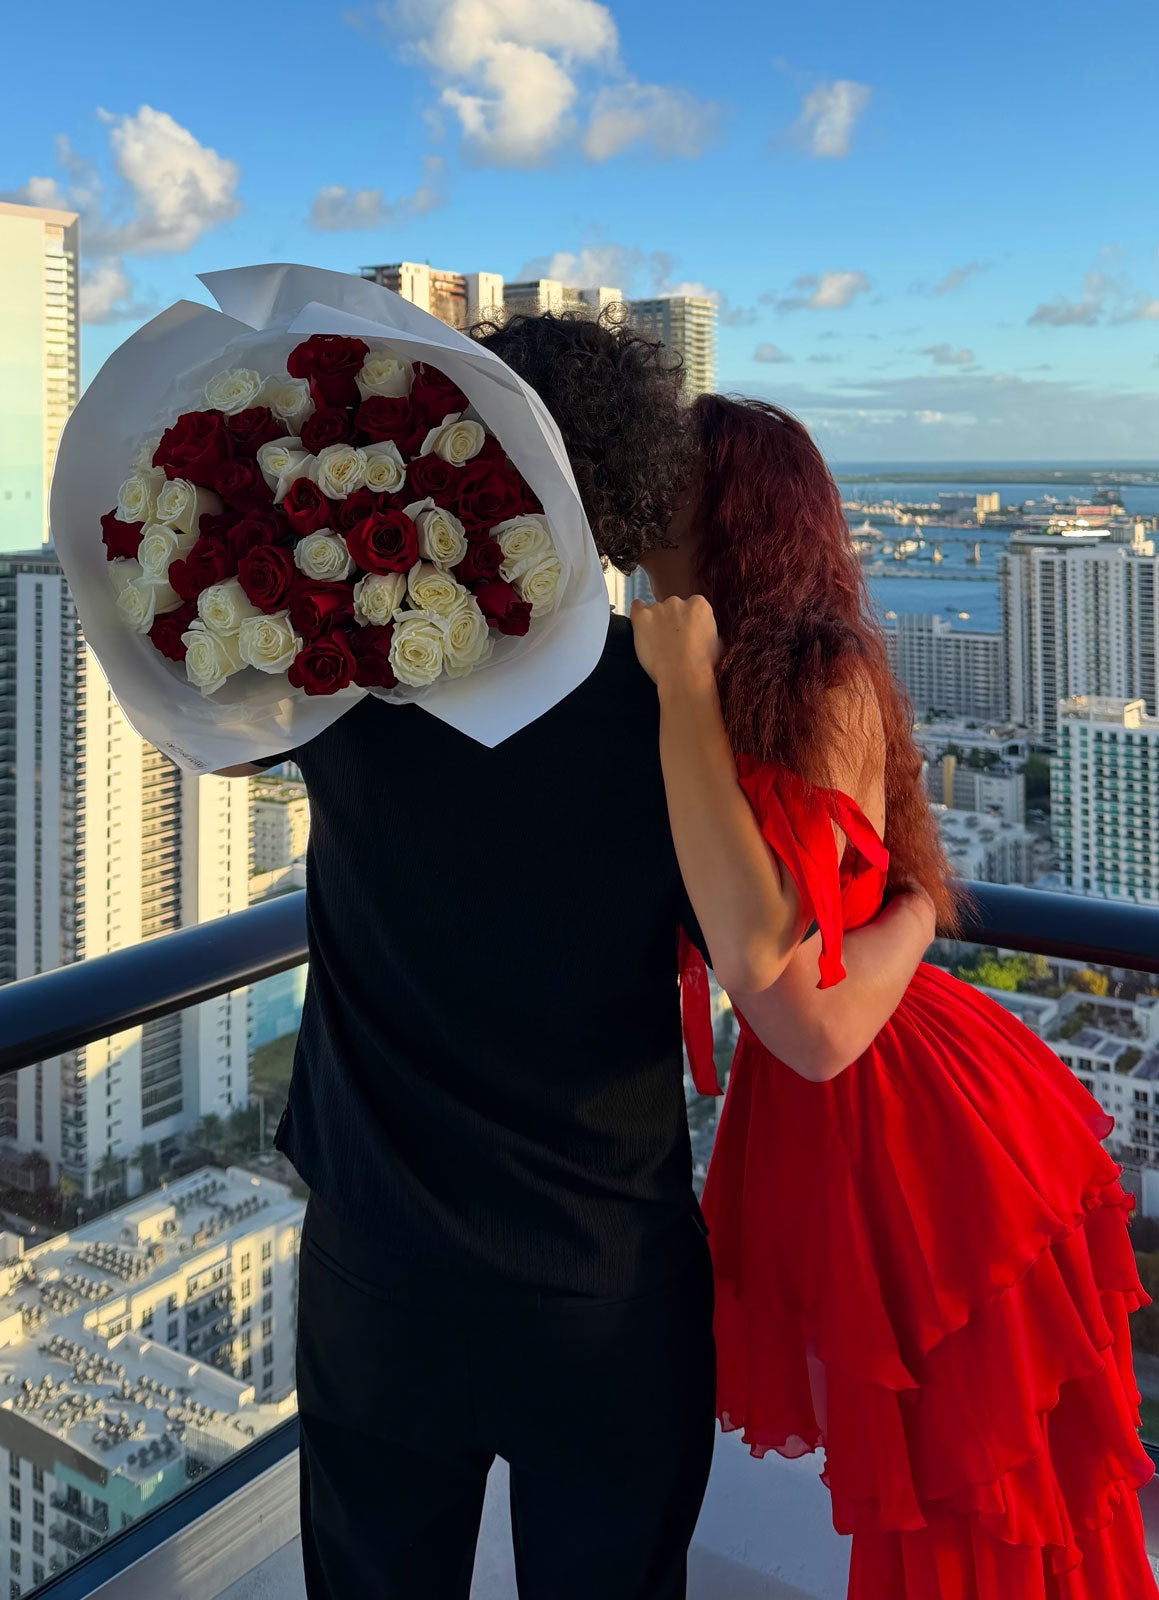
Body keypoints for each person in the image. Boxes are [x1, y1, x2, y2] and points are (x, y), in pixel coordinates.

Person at [217, 316, 936, 1600]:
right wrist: (919, 907)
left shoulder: (348, 678)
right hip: (601, 1277)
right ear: (617, 475)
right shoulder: (682, 713)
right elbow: (780, 964)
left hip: (376, 1268)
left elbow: (200, 716)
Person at [629, 392, 1157, 1599]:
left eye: (664, 487)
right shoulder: (719, 669)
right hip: (848, 1100)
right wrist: (919, 904)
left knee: (968, 1498)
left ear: (727, 507)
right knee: (925, 1495)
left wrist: (680, 691)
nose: (636, 509)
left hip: (908, 1113)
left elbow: (804, 1015)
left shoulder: (814, 678)